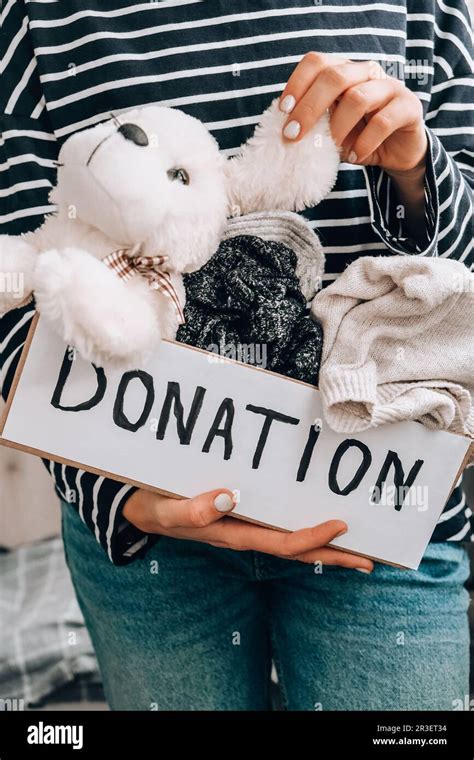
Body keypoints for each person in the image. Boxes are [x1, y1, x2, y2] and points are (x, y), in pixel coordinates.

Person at [1, 0, 472, 710]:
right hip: (147, 517)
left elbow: (461, 286)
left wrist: (414, 169)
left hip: (381, 500)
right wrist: (121, 498)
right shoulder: (32, 15)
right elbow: (22, 274)